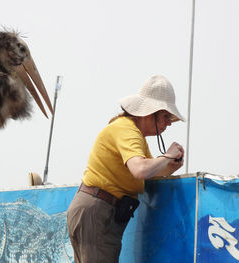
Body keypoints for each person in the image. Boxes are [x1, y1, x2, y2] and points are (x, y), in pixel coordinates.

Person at [67, 75, 185, 263]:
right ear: (150, 113)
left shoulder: (134, 134)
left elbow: (145, 173)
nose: (169, 123)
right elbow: (140, 170)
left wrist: (168, 166)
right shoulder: (126, 130)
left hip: (98, 212)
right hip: (98, 212)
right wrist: (167, 156)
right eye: (165, 117)